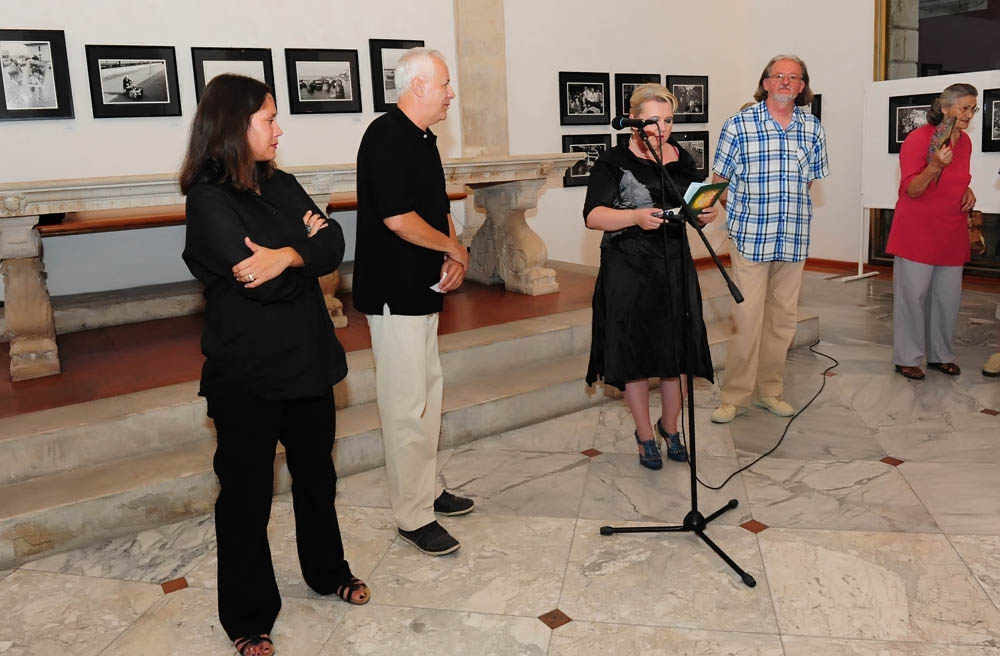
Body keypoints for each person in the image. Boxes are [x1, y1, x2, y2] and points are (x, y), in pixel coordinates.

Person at [180, 74, 368, 656]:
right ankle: (247, 614)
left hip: (308, 361)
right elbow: (252, 284)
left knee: (318, 477)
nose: (278, 129)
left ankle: (325, 568)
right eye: (268, 119)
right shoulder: (208, 199)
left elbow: (334, 245)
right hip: (248, 374)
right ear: (237, 126)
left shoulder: (279, 183)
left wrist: (287, 254)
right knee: (246, 497)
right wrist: (304, 253)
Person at [353, 48, 474, 556]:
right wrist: (452, 247)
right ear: (418, 85)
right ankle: (411, 515)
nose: (451, 94)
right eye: (445, 84)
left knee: (427, 395)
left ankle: (426, 489)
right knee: (405, 405)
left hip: (422, 289)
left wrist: (454, 251)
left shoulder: (424, 139)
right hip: (391, 292)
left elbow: (435, 206)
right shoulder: (384, 136)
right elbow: (398, 219)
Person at [584, 83, 717, 469]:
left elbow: (693, 203)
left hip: (674, 265)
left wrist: (705, 215)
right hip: (628, 267)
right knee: (637, 355)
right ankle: (645, 435)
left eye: (669, 120)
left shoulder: (682, 157)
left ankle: (670, 427)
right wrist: (635, 217)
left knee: (677, 354)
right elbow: (593, 216)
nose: (662, 129)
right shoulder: (612, 161)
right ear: (633, 122)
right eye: (653, 121)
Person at [710, 54, 829, 424]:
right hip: (751, 237)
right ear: (765, 83)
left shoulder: (812, 128)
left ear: (802, 86)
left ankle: (769, 391)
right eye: (778, 76)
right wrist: (742, 208)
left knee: (782, 322)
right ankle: (734, 397)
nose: (785, 82)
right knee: (746, 319)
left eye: (793, 77)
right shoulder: (739, 125)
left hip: (793, 237)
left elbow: (809, 181)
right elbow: (719, 181)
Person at [886, 83, 979, 380]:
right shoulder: (918, 139)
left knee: (947, 298)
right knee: (912, 297)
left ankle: (941, 354)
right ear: (944, 108)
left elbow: (958, 176)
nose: (969, 114)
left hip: (951, 229)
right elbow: (911, 189)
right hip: (917, 229)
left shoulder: (964, 143)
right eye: (965, 107)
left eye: (972, 109)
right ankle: (908, 357)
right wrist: (934, 166)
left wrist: (967, 189)